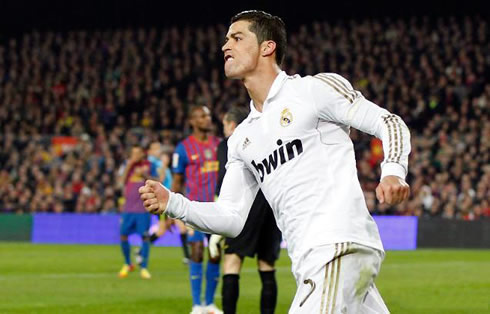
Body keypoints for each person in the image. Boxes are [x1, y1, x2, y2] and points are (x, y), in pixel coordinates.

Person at [140, 10, 411, 313]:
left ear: (267, 47)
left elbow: (388, 122)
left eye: (237, 37)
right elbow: (231, 217)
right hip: (311, 260)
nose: (225, 46)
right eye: (226, 39)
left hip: (336, 246)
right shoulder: (242, 138)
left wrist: (393, 171)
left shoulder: (312, 90)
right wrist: (173, 203)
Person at [208, 107, 282, 314]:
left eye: (224, 125)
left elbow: (225, 181)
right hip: (271, 206)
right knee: (267, 266)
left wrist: (217, 229)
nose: (223, 129)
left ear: (232, 125)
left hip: (245, 206)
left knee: (231, 262)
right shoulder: (268, 137)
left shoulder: (231, 142)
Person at [171, 105, 223, 314]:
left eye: (208, 115)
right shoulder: (183, 148)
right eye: (201, 116)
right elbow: (177, 181)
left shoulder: (220, 145)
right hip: (194, 209)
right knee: (196, 252)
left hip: (218, 208)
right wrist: (169, 209)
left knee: (215, 253)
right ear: (192, 121)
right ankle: (196, 305)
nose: (207, 119)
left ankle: (209, 303)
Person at [118, 144, 153, 279]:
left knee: (144, 237)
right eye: (133, 153)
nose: (136, 156)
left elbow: (156, 180)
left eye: (138, 153)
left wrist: (144, 174)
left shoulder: (148, 165)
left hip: (143, 209)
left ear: (142, 154)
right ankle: (127, 263)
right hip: (128, 209)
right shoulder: (127, 166)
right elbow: (121, 181)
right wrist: (130, 164)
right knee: (123, 235)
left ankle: (144, 267)